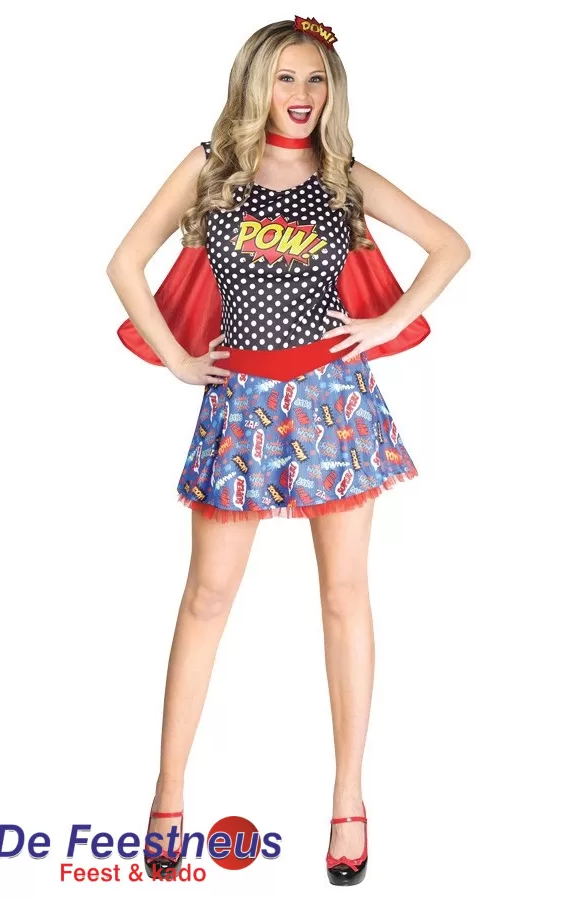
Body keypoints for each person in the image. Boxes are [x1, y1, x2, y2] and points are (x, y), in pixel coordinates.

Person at [106, 16, 470, 886]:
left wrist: (384, 324)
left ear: (332, 91)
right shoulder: (211, 169)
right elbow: (124, 263)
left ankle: (348, 798)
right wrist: (180, 359)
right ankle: (168, 790)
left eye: (316, 80)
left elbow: (451, 245)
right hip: (240, 405)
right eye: (286, 78)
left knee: (344, 597)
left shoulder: (344, 179)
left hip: (333, 407)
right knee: (206, 597)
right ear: (255, 83)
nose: (302, 96)